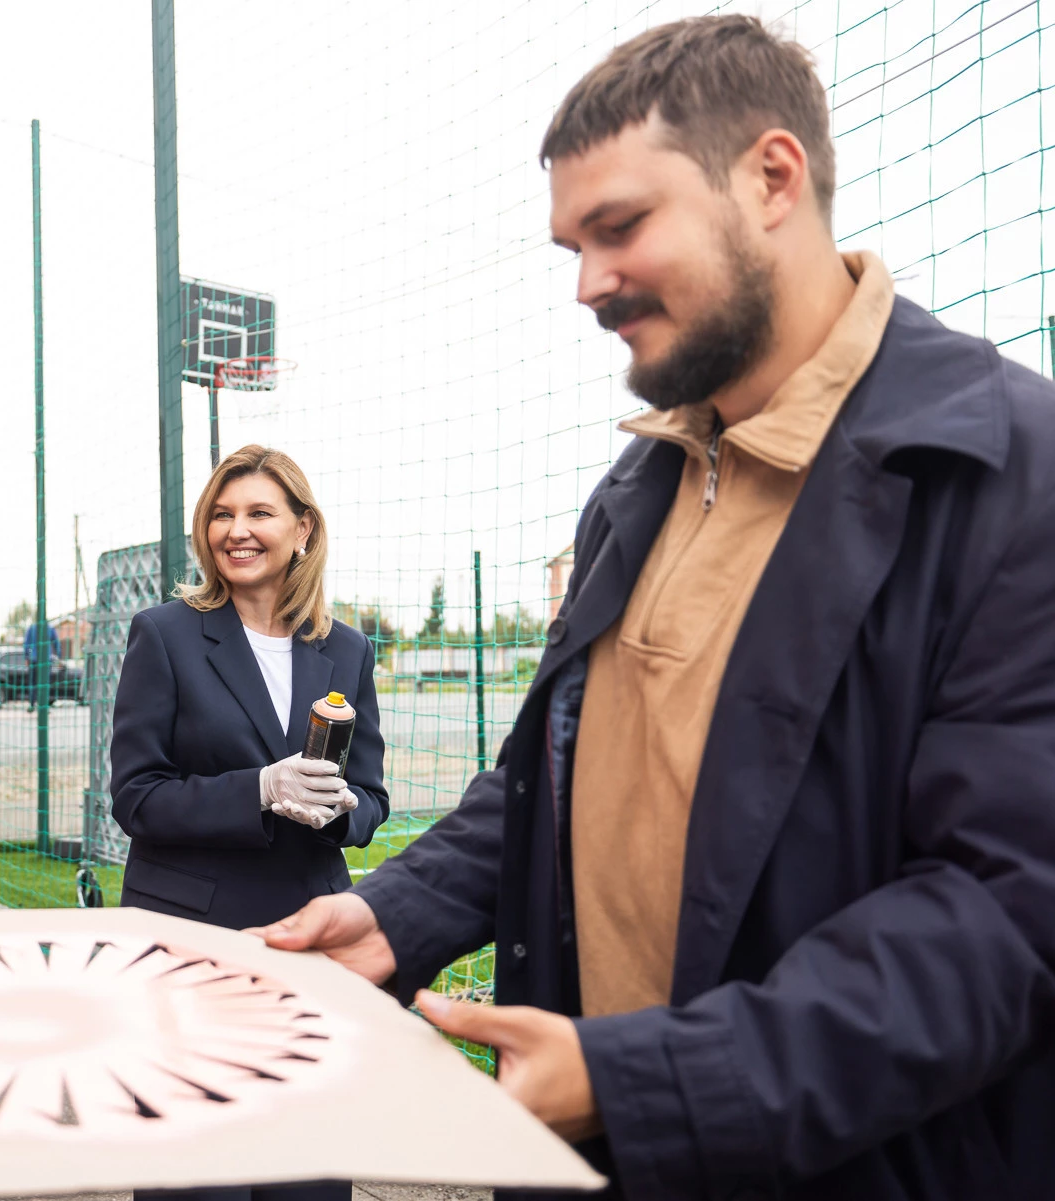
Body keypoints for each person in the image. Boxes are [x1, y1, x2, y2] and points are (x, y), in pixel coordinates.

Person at [255, 16, 1055, 1201]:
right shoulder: (638, 485)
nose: (587, 285)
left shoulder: (1008, 468)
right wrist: (394, 916)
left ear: (771, 178)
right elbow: (550, 779)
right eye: (572, 245)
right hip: (602, 1154)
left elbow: (1005, 916)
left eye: (620, 228)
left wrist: (650, 1080)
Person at [112, 446, 388, 1201]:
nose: (237, 530)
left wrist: (343, 809)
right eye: (222, 515)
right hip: (190, 950)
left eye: (259, 513)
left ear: (302, 529)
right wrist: (258, 788)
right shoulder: (164, 634)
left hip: (308, 945)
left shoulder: (348, 649)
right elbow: (135, 796)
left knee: (306, 1172)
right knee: (200, 1180)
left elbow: (370, 795)